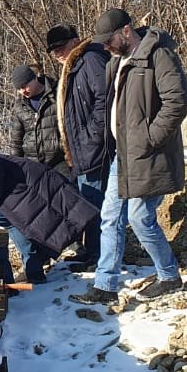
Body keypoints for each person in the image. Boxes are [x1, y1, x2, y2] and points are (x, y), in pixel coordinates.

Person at [71, 8, 187, 306]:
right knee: (110, 217)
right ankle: (105, 285)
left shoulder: (158, 56)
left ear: (126, 31)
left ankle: (168, 275)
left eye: (108, 39)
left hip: (149, 155)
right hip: (121, 156)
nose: (105, 46)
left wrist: (150, 138)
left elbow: (177, 101)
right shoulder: (116, 63)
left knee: (140, 218)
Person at [0, 150, 99, 284]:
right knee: (11, 226)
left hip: (28, 188)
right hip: (15, 200)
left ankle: (4, 279)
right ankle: (33, 274)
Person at [46, 24, 110, 265]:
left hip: (93, 149)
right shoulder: (74, 67)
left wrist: (92, 136)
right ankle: (91, 250)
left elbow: (104, 99)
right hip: (81, 151)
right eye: (52, 51)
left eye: (60, 47)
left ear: (74, 41)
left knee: (95, 203)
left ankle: (97, 254)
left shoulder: (90, 60)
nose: (57, 53)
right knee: (88, 202)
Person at [8, 64, 68, 175]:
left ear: (35, 78)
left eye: (25, 86)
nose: (23, 91)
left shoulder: (58, 95)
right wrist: (14, 167)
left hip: (60, 163)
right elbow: (16, 141)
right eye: (19, 89)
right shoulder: (20, 106)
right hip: (32, 165)